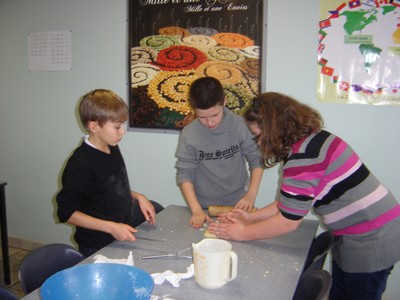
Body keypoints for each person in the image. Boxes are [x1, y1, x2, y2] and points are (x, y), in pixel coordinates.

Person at [209, 92, 400, 300]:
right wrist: (254, 218)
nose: (258, 142)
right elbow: (292, 201)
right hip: (369, 230)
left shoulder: (303, 158)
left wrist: (243, 233)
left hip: (372, 239)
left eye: (258, 136)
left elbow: (288, 222)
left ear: (274, 129)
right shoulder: (313, 140)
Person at [56, 89, 164, 257]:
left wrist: (138, 196)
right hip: (98, 245)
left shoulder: (111, 146)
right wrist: (111, 227)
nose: (123, 131)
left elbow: (107, 187)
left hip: (119, 234)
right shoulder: (80, 163)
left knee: (157, 207)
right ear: (94, 126)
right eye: (117, 127)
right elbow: (66, 213)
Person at [175, 77, 264, 228]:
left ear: (224, 101)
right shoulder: (189, 133)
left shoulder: (240, 125)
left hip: (239, 204)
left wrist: (251, 194)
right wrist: (196, 210)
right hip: (203, 207)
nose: (210, 123)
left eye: (215, 115)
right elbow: (184, 173)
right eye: (202, 117)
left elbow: (257, 160)